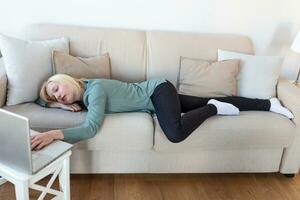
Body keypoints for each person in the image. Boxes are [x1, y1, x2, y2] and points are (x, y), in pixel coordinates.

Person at [31, 74, 294, 150]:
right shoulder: (82, 92)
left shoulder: (94, 90)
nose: (57, 93)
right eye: (54, 95)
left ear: (64, 77)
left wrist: (55, 134)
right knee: (207, 97)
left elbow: (90, 128)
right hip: (156, 97)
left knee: (175, 133)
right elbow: (40, 101)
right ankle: (268, 103)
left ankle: (213, 109)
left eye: (56, 88)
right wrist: (59, 104)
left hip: (157, 91)